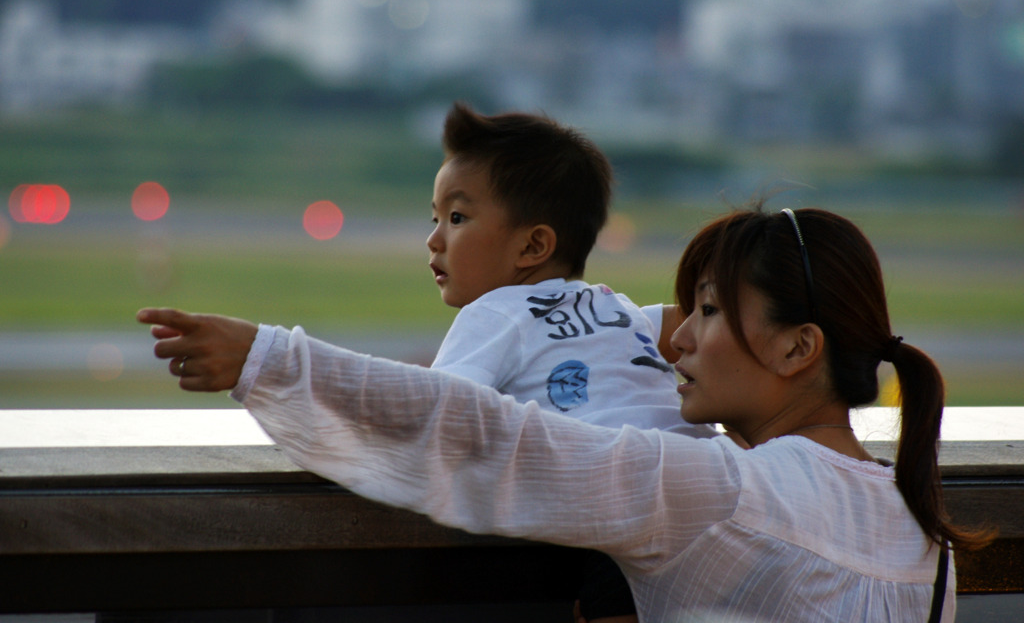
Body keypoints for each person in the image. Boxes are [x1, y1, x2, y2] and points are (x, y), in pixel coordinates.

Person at [138, 205, 991, 622]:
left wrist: (270, 359)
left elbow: (489, 432)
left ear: (799, 349)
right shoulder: (924, 532)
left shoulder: (718, 490)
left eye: (706, 311)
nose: (676, 342)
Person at [428, 102, 714, 439]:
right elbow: (688, 323)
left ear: (532, 246)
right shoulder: (613, 307)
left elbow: (434, 411)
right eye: (437, 220)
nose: (434, 240)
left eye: (457, 218)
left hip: (612, 469)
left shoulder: (492, 315)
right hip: (695, 452)